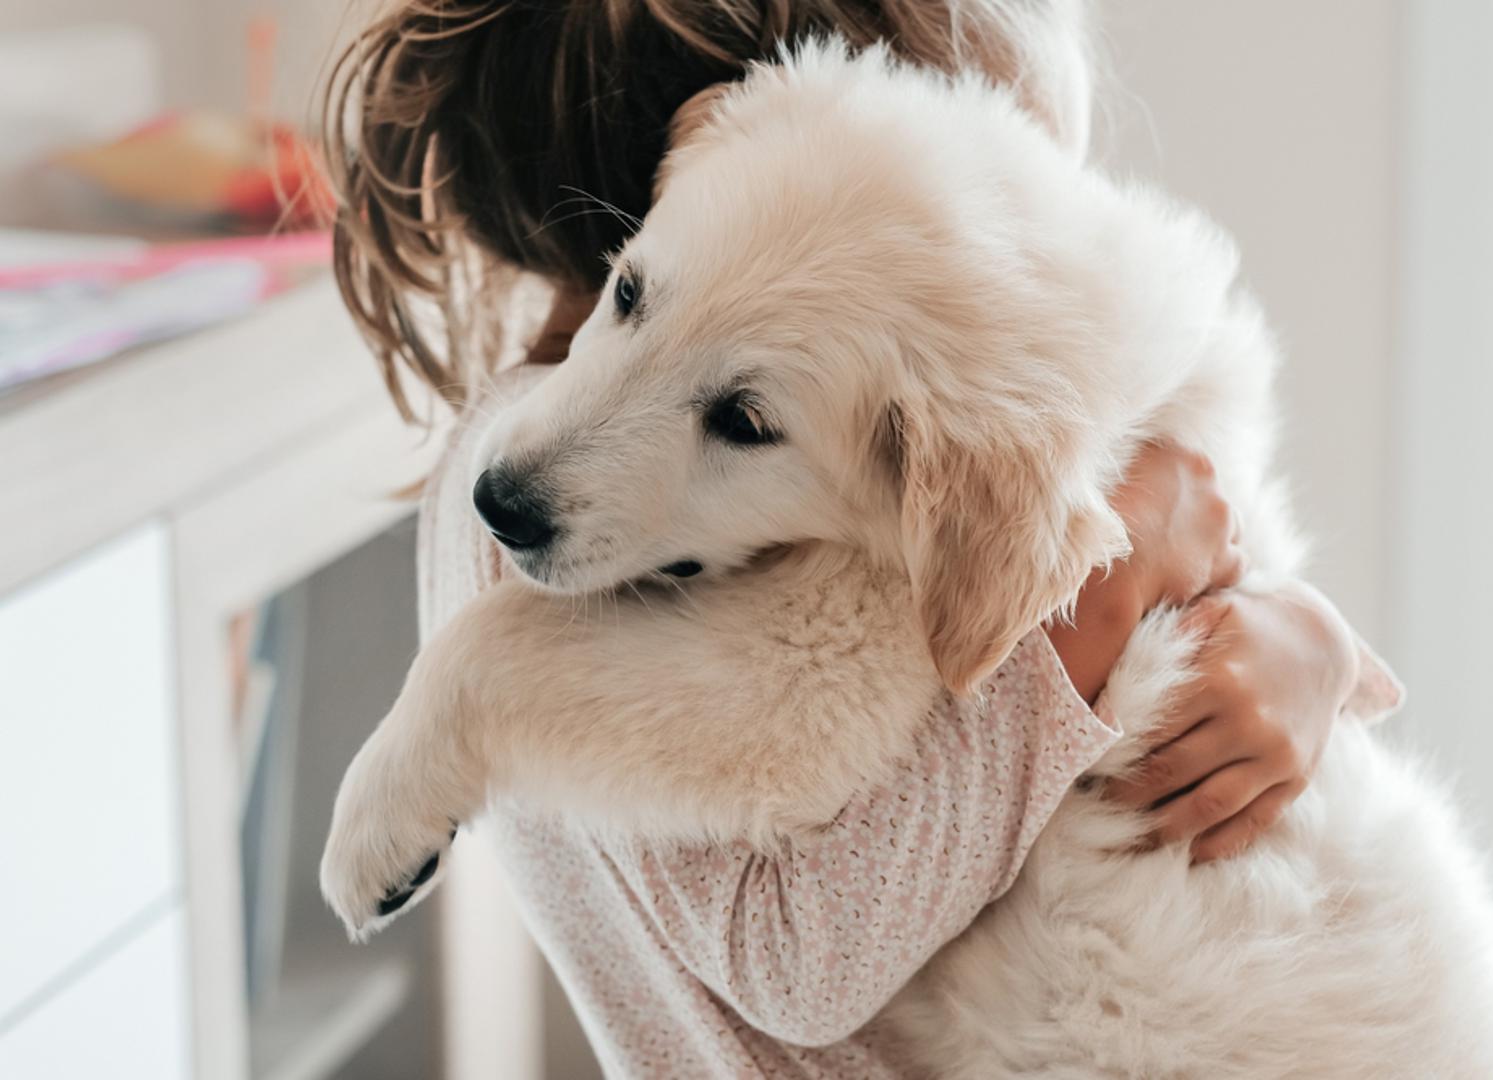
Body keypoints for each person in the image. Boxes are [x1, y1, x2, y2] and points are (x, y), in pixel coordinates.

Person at [325, 2, 1381, 1075]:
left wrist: (1305, 638)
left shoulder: (963, 450)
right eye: (631, 294)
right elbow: (802, 958)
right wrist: (1098, 606)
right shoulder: (524, 499)